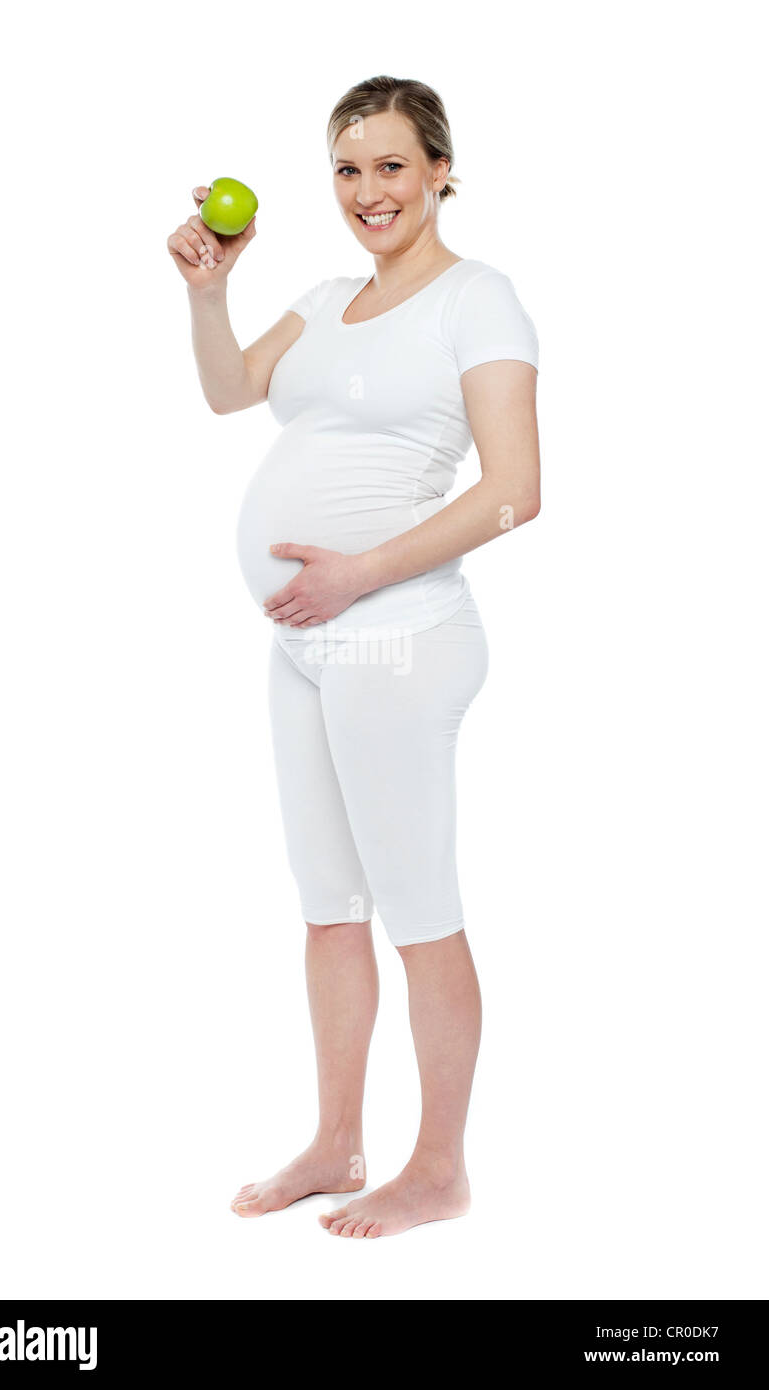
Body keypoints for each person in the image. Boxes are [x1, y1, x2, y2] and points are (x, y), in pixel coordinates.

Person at [167, 75, 541, 1239]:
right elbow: (231, 392)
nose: (367, 190)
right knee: (329, 907)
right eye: (346, 168)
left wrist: (354, 574)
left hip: (398, 639)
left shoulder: (477, 301)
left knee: (417, 910)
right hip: (306, 648)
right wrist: (210, 292)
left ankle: (439, 1166)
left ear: (439, 169)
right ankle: (336, 1140)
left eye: (390, 165)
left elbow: (517, 493)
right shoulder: (328, 297)